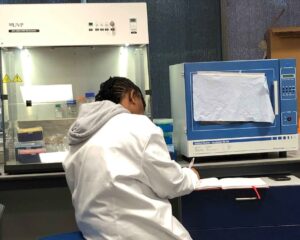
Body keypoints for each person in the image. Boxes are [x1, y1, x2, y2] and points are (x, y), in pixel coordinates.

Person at [63, 76, 200, 240]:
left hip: (96, 235)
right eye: (143, 105)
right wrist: (191, 175)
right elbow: (172, 184)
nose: (143, 113)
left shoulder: (79, 137)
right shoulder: (137, 125)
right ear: (132, 96)